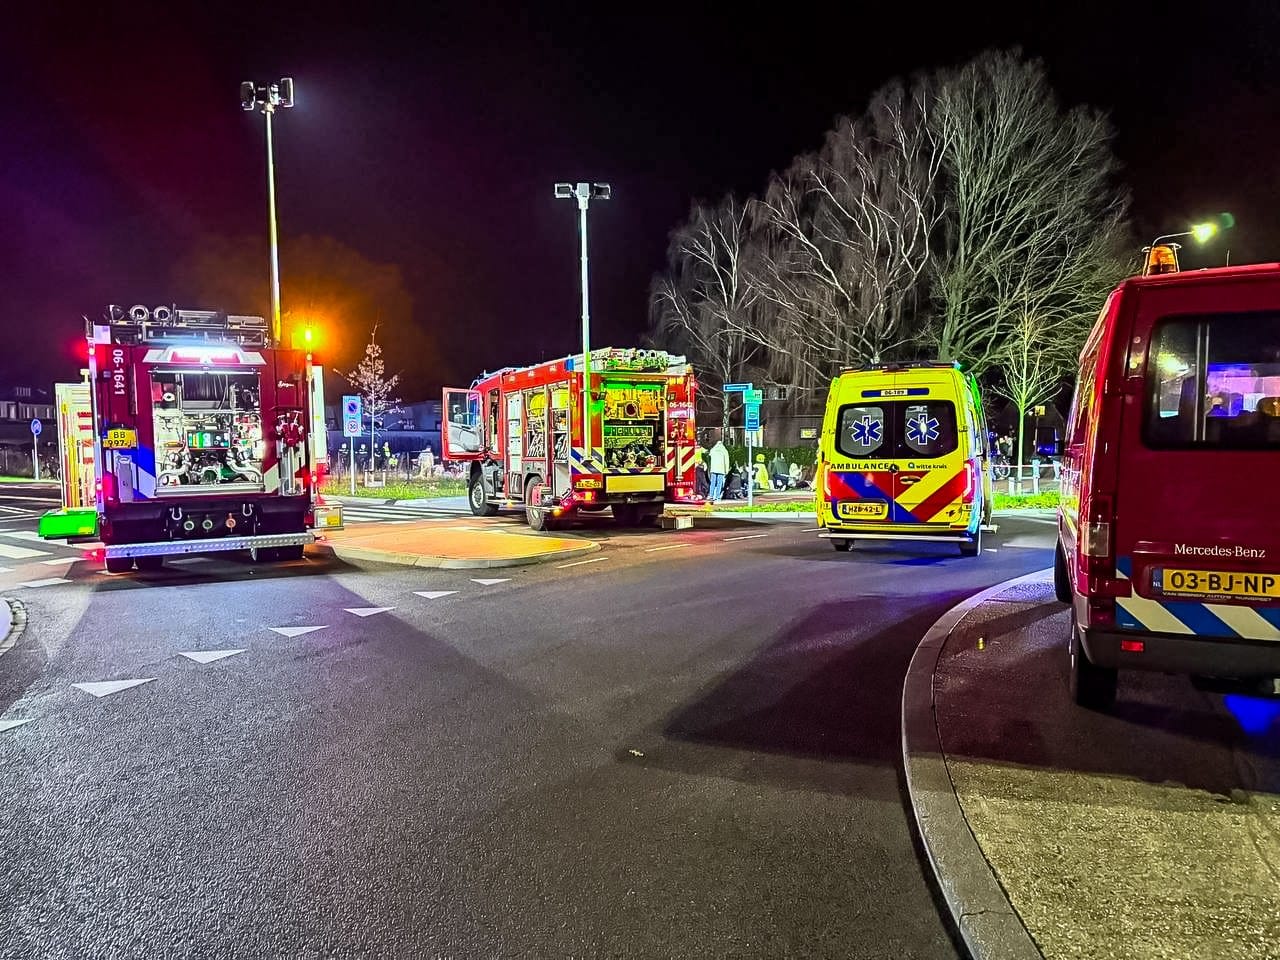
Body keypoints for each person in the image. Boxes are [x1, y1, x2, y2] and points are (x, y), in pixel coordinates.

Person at [708, 436, 730, 502]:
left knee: (712, 483)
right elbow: (726, 461)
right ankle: (718, 497)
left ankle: (711, 496)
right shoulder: (724, 451)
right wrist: (726, 470)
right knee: (719, 483)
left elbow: (709, 457)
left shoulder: (713, 450)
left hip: (713, 469)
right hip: (721, 469)